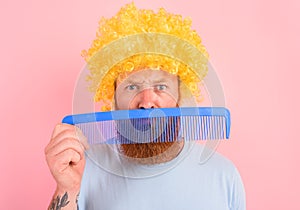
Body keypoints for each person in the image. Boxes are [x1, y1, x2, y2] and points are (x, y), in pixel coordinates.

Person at [45, 3, 246, 210]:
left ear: (180, 95)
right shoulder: (84, 169)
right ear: (113, 99)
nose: (147, 102)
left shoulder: (224, 176)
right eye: (131, 87)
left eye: (161, 86)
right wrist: (66, 188)